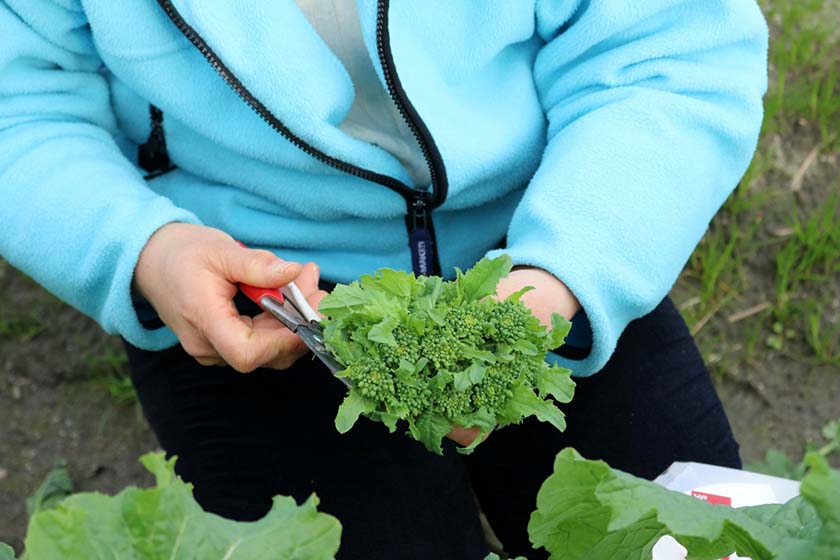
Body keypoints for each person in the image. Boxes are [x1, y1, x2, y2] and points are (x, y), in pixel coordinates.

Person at [0, 1, 768, 558]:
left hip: (538, 248)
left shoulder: (558, 261)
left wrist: (565, 271)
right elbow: (19, 104)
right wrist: (143, 250)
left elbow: (670, 53)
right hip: (254, 287)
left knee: (697, 539)